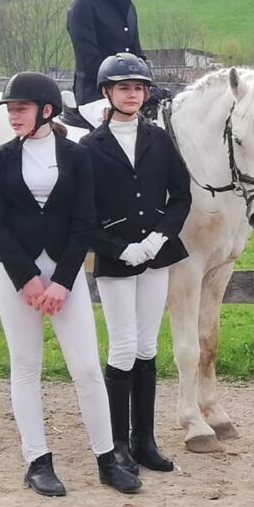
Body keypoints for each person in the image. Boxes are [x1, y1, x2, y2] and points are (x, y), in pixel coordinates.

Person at [0, 71, 142, 497]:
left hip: (65, 274)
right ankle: (37, 461)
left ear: (46, 110)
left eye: (21, 108)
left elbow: (84, 222)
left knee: (87, 368)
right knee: (26, 367)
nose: (13, 116)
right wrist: (27, 279)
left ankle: (107, 459)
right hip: (16, 276)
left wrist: (61, 283)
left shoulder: (76, 156)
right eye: (10, 109)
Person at [80, 53, 193, 475]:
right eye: (124, 88)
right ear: (107, 92)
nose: (132, 94)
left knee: (147, 346)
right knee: (123, 345)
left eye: (139, 88)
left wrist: (159, 237)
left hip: (156, 254)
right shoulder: (90, 147)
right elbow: (82, 214)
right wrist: (116, 247)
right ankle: (118, 444)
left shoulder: (158, 139)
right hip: (117, 259)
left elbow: (180, 195)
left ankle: (145, 440)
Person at [66, 0, 144, 129]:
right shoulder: (82, 6)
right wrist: (123, 86)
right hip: (95, 95)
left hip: (128, 92)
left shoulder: (128, 6)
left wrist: (147, 83)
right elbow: (90, 62)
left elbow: (137, 54)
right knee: (120, 127)